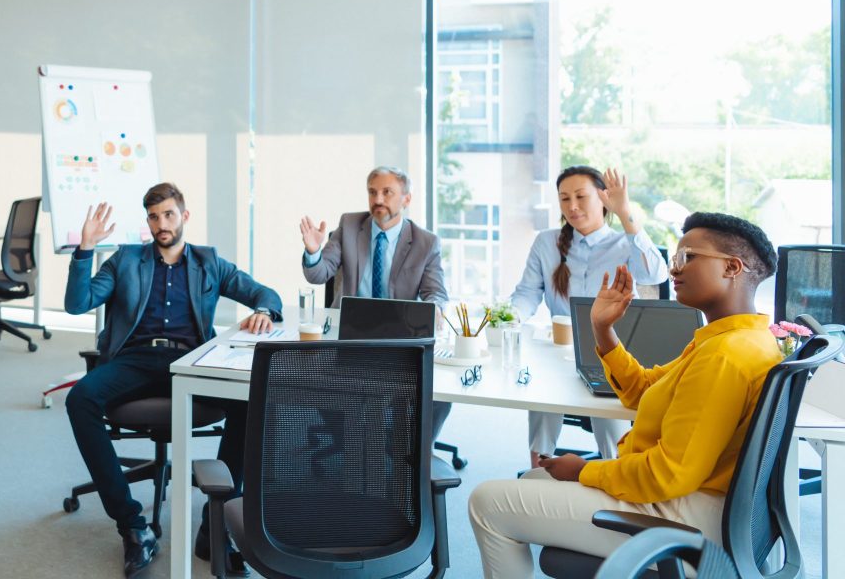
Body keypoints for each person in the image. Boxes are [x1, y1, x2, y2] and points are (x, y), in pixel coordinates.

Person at [469, 212, 782, 578]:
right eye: (675, 258)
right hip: (705, 508)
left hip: (688, 521)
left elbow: (669, 474)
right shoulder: (737, 339)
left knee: (486, 502)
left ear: (732, 267)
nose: (674, 269)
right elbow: (644, 391)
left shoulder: (724, 355)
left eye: (687, 257)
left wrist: (585, 470)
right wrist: (603, 329)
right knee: (532, 482)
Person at [65, 183, 282, 578]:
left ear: (184, 216)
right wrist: (85, 249)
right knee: (79, 399)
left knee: (249, 400)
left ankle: (215, 525)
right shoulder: (125, 260)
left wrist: (264, 311)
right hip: (135, 359)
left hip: (191, 359)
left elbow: (264, 293)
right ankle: (133, 526)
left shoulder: (208, 262)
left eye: (168, 214)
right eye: (153, 217)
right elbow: (77, 304)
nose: (161, 224)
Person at [509, 166, 668, 466]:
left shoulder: (625, 243)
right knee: (542, 388)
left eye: (581, 197)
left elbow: (656, 274)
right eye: (564, 198)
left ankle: (615, 468)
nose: (572, 206)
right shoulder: (546, 242)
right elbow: (527, 293)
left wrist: (625, 212)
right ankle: (539, 469)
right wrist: (510, 317)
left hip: (610, 348)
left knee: (610, 410)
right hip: (559, 348)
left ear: (603, 199)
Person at [299, 165, 452, 439]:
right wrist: (313, 252)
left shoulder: (425, 242)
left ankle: (409, 449)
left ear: (406, 199)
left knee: (439, 395)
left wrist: (436, 309)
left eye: (387, 192)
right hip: (348, 340)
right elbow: (319, 274)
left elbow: (436, 292)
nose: (378, 199)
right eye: (372, 192)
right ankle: (354, 442)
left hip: (399, 341)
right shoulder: (349, 226)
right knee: (308, 377)